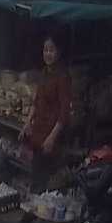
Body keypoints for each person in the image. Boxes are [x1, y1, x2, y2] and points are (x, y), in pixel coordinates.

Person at [20, 35, 72, 191]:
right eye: (45, 50)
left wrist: (52, 138)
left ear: (58, 52)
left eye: (51, 50)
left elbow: (64, 112)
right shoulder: (43, 73)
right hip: (38, 131)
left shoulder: (63, 77)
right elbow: (37, 101)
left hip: (51, 134)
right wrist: (27, 123)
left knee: (45, 178)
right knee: (35, 174)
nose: (48, 54)